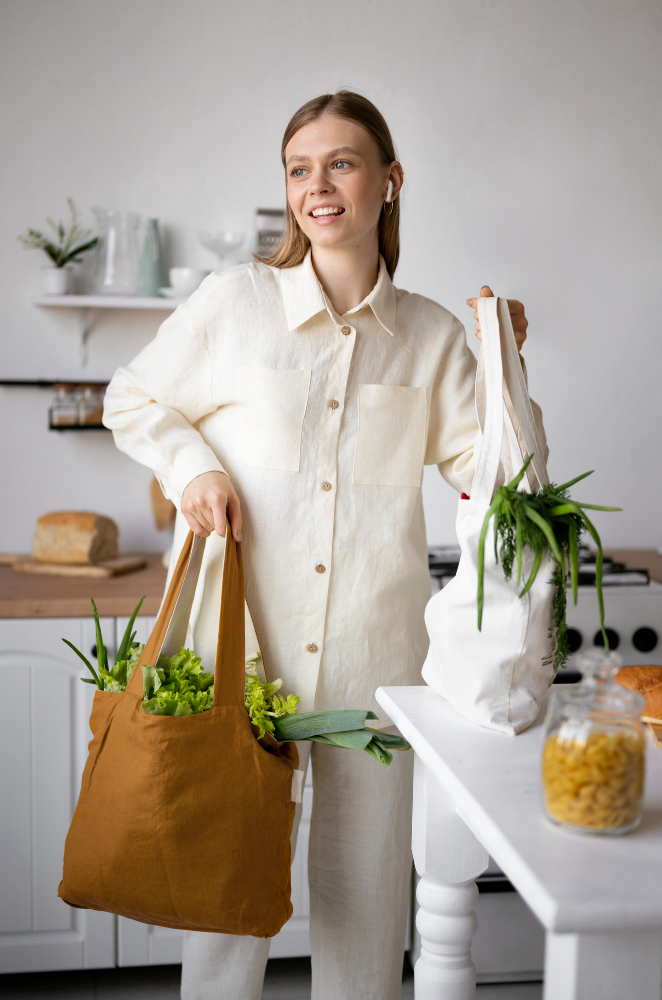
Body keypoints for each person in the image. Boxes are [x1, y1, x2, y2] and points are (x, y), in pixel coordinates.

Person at [103, 90, 547, 1000]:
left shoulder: (430, 338)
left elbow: (506, 485)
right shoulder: (236, 303)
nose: (319, 186)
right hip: (243, 666)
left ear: (389, 181)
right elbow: (133, 398)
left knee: (367, 916)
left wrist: (508, 373)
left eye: (340, 163)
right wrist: (192, 468)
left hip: (374, 679)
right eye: (300, 169)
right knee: (225, 918)